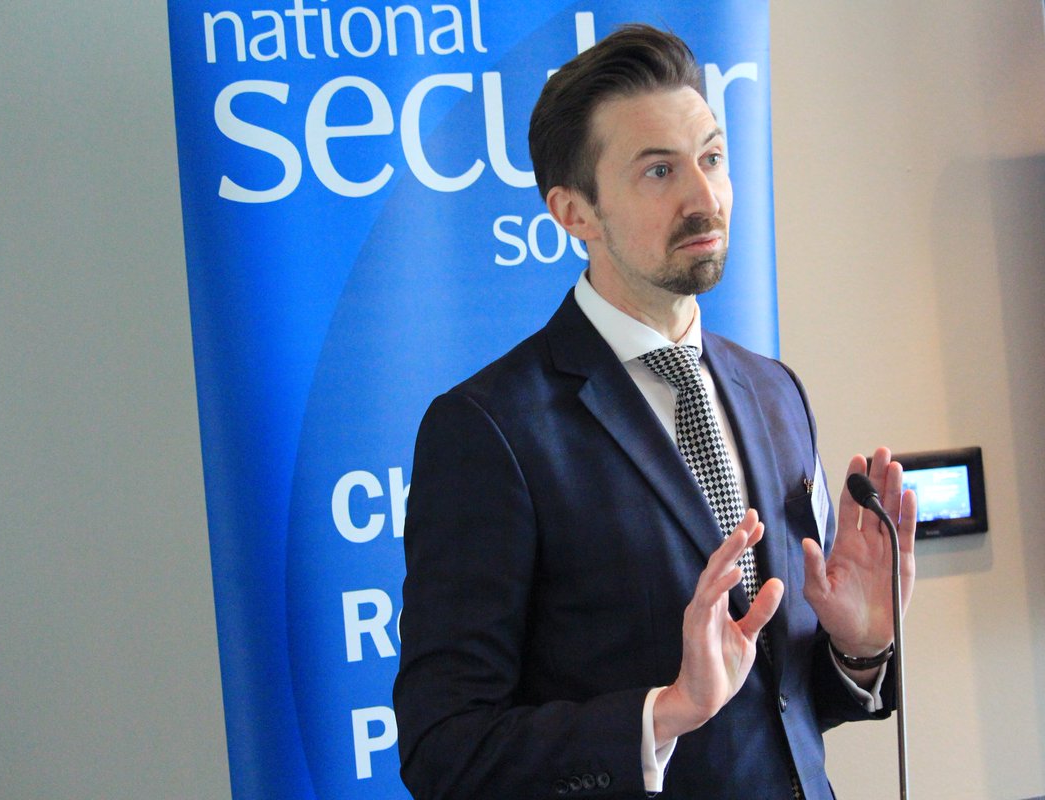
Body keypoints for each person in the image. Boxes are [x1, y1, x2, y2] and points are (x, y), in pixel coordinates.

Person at [393, 24, 917, 800]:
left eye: (712, 158)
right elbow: (444, 750)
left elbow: (777, 708)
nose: (705, 197)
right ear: (575, 212)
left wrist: (859, 647)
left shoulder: (775, 392)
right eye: (659, 171)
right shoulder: (490, 430)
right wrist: (663, 713)